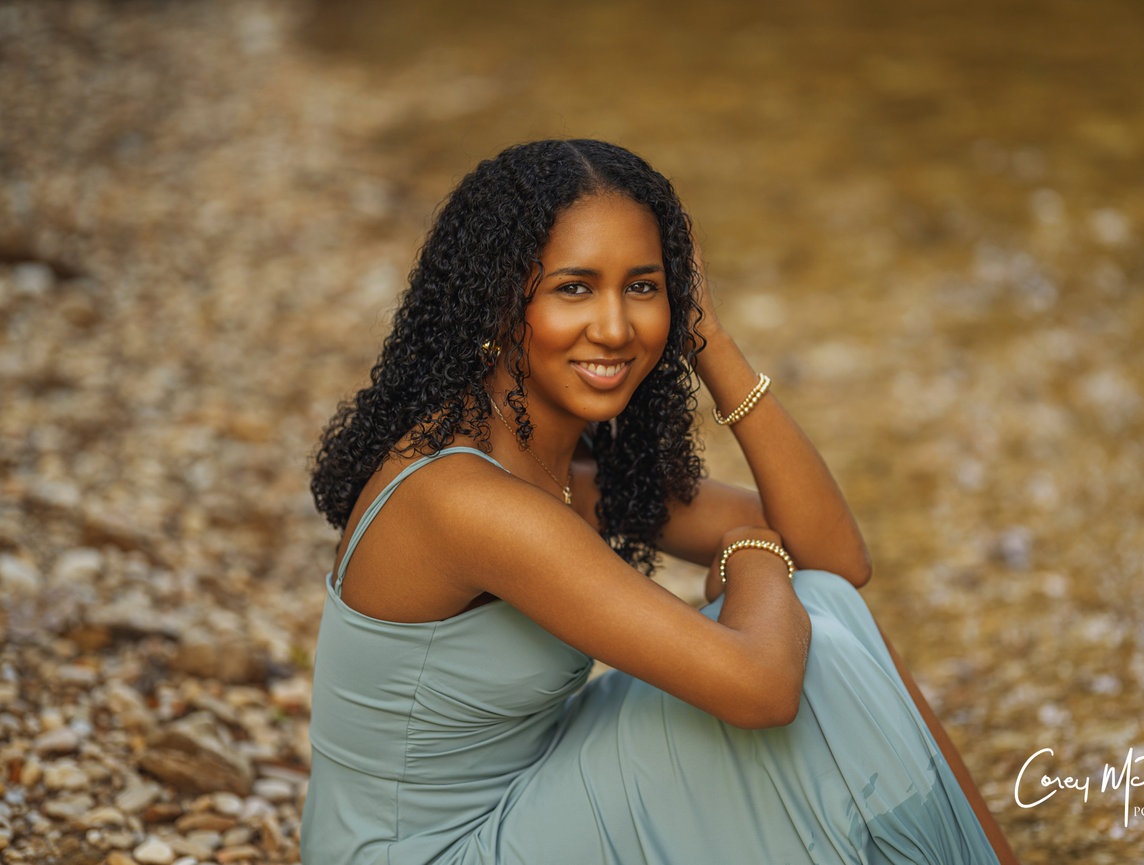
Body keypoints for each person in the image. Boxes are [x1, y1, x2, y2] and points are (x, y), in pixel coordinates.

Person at [302, 139, 1018, 864]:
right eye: (574, 288)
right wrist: (753, 552)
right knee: (813, 646)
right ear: (498, 296)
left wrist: (710, 339)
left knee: (825, 604)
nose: (615, 327)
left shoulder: (557, 467)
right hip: (429, 854)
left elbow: (837, 555)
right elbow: (761, 686)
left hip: (516, 802)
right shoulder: (464, 497)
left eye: (643, 287)